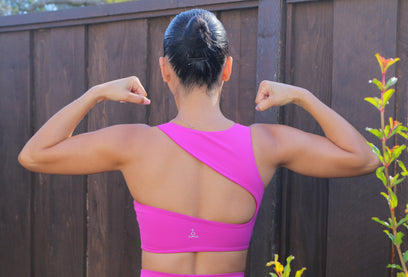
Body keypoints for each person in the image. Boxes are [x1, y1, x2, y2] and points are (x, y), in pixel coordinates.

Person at [18, 9, 379, 277]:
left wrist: (95, 94)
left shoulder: (133, 144)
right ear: (227, 69)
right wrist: (302, 97)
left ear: (164, 69)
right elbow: (363, 158)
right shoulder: (265, 143)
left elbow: (34, 155)